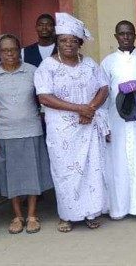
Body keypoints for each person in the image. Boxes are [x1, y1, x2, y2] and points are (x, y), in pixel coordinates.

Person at [34, 13, 110, 232]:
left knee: (90, 170)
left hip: (88, 126)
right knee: (65, 172)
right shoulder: (47, 66)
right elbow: (44, 97)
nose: (68, 44)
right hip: (62, 131)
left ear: (80, 43)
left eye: (72, 40)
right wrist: (80, 108)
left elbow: (104, 88)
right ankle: (67, 215)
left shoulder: (90, 64)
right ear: (57, 42)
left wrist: (91, 108)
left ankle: (90, 212)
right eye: (63, 40)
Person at [0, 34, 53, 234]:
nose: (9, 54)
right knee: (11, 177)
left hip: (31, 130)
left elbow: (43, 99)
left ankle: (32, 215)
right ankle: (17, 216)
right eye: (4, 51)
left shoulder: (32, 71)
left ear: (19, 50)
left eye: (13, 50)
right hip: (5, 133)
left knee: (33, 174)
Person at [100, 21, 136, 220]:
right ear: (116, 36)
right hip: (116, 121)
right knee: (118, 162)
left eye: (129, 33)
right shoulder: (107, 62)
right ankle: (119, 207)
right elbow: (102, 95)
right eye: (122, 34)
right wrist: (105, 125)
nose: (126, 37)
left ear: (135, 35)